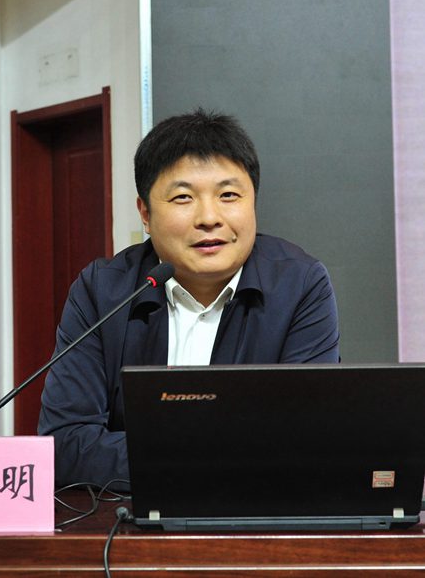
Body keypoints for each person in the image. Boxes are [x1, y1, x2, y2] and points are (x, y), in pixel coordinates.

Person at [38, 108, 339, 488]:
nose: (209, 217)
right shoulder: (102, 291)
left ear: (253, 202)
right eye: (183, 198)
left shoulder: (300, 285)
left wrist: (167, 459)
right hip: (127, 518)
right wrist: (215, 458)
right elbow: (65, 445)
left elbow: (307, 442)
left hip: (252, 519)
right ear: (145, 213)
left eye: (228, 195)